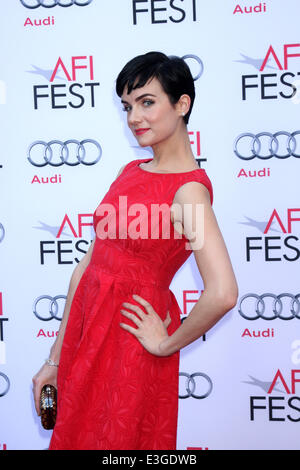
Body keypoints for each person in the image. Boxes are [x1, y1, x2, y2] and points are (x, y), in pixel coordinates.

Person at [32, 51, 238, 450]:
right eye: (127, 106)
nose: (133, 118)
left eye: (147, 102)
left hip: (129, 343)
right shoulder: (129, 172)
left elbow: (223, 292)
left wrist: (165, 343)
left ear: (182, 105)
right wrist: (55, 359)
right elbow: (87, 266)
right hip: (87, 334)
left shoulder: (189, 191)